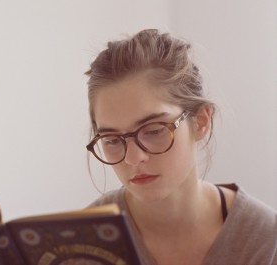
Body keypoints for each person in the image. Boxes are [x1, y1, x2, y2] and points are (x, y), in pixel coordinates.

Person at [84, 29, 277, 265]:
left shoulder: (265, 241)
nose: (133, 158)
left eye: (154, 130)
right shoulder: (83, 238)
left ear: (201, 121)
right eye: (112, 140)